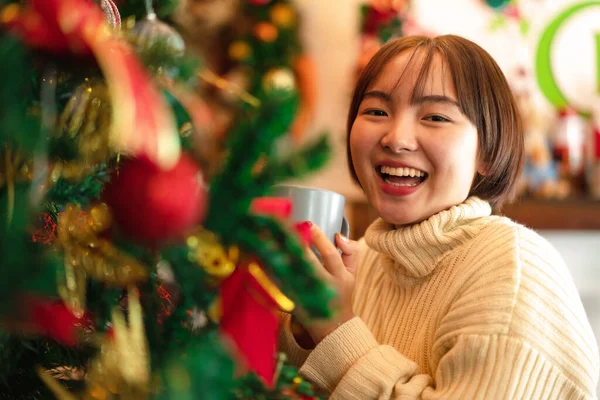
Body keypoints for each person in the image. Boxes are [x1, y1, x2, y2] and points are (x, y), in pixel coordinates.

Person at [278, 35, 599, 399]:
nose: (396, 139)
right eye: (376, 112)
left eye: (435, 116)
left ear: (487, 154)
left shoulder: (512, 272)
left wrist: (338, 332)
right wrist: (306, 330)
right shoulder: (363, 258)